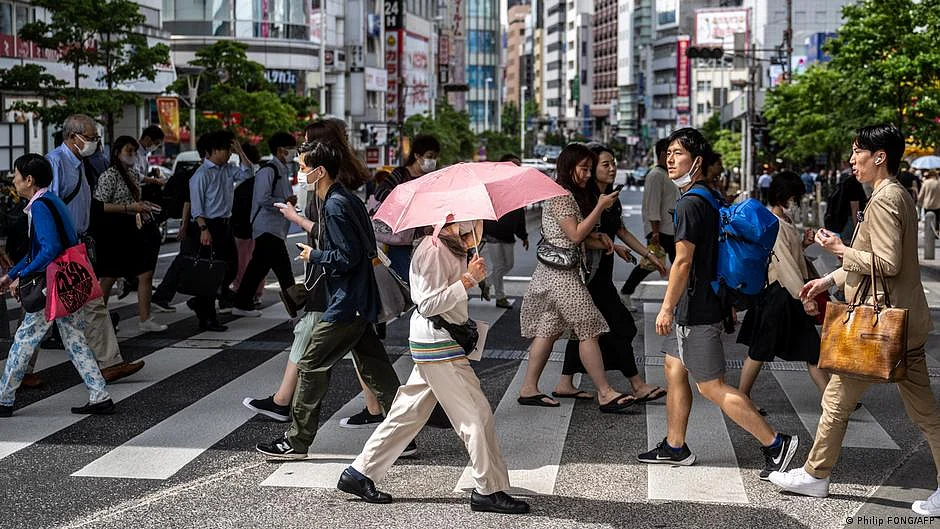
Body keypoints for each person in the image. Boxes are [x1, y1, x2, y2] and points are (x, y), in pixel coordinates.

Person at [770, 125, 940, 516]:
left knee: (848, 401)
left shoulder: (884, 199)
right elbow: (872, 263)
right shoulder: (892, 194)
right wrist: (828, 278)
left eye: (857, 152)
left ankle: (815, 475)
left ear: (879, 156)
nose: (851, 160)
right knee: (858, 402)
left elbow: (886, 263)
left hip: (878, 327)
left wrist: (838, 248)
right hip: (896, 322)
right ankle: (815, 474)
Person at [337, 220, 530, 515]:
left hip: (439, 341)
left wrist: (470, 274)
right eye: (475, 218)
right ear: (453, 218)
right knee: (475, 415)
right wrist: (466, 281)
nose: (479, 224)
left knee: (406, 415)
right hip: (437, 343)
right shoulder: (434, 248)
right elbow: (427, 304)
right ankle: (488, 490)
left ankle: (359, 473)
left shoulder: (453, 246)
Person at [637, 128, 799, 480]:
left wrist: (666, 307)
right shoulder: (706, 197)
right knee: (673, 367)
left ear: (696, 161)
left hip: (697, 307)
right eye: (668, 152)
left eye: (678, 153)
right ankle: (675, 446)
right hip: (704, 301)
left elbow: (683, 262)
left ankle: (776, 444)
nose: (670, 158)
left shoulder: (690, 203)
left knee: (711, 386)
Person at [255, 140, 403, 459]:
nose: (299, 172)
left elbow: (348, 256)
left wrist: (315, 254)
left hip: (347, 302)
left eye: (303, 167)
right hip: (359, 298)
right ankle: (405, 435)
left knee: (310, 364)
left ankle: (296, 442)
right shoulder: (343, 199)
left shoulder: (335, 204)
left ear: (319, 171)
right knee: (377, 369)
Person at [517, 143, 636, 412]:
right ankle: (605, 392)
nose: (586, 174)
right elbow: (574, 235)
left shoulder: (566, 195)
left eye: (589, 169)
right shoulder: (561, 196)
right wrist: (601, 206)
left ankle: (528, 388)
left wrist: (607, 242)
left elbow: (570, 237)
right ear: (569, 167)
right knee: (589, 328)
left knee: (548, 331)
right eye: (583, 169)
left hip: (555, 274)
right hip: (562, 278)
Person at [0, 154, 113, 417]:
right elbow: (41, 248)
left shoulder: (39, 207)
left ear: (28, 180)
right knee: (75, 339)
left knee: (24, 339)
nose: (13, 179)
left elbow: (48, 248)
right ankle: (100, 395)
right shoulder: (52, 200)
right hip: (68, 281)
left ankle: (4, 399)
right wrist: (12, 273)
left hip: (50, 285)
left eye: (16, 175)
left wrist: (22, 275)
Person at [555, 144, 667, 403]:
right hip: (586, 276)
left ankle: (564, 382)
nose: (613, 168)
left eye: (613, 163)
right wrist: (608, 240)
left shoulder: (610, 198)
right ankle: (637, 384)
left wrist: (650, 255)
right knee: (620, 326)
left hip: (601, 274)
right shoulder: (586, 199)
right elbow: (578, 235)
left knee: (585, 330)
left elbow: (621, 231)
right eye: (606, 164)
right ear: (592, 170)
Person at [45, 114, 143, 382]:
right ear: (73, 136)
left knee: (93, 303)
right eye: (90, 138)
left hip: (78, 244)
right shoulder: (55, 162)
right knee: (40, 314)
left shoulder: (81, 162)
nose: (94, 143)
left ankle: (109, 362)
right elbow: (48, 207)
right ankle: (20, 373)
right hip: (60, 246)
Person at [736, 172, 829, 410]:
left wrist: (804, 243)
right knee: (761, 350)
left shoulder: (780, 221)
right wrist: (805, 297)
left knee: (808, 349)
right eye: (794, 197)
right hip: (780, 294)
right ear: (783, 196)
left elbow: (788, 256)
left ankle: (832, 401)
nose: (796, 202)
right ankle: (741, 398)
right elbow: (784, 264)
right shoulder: (773, 223)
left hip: (783, 293)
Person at [93, 135, 167, 332]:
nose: (133, 155)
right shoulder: (109, 176)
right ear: (117, 153)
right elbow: (99, 206)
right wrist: (128, 207)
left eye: (134, 151)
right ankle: (97, 321)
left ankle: (145, 318)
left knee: (145, 272)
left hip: (134, 226)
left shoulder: (133, 174)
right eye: (129, 151)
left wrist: (142, 207)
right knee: (108, 276)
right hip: (113, 230)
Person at [186, 130, 253, 331]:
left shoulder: (227, 169)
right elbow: (196, 206)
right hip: (208, 225)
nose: (226, 153)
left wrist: (240, 150)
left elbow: (248, 172)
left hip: (225, 224)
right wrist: (203, 229)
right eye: (222, 149)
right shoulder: (201, 175)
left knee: (230, 267)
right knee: (210, 272)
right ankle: (208, 317)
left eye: (227, 149)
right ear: (209, 152)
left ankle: (201, 303)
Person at [231, 132, 299, 317]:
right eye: (291, 149)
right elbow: (262, 198)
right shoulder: (269, 170)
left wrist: (288, 202)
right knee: (284, 271)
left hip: (274, 227)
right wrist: (284, 201)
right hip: (267, 227)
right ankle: (297, 310)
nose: (294, 152)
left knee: (258, 267)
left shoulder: (282, 169)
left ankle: (241, 302)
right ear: (280, 149)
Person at [151, 133, 210, 313]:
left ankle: (204, 299)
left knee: (195, 260)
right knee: (185, 260)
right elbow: (188, 201)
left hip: (198, 224)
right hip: (196, 224)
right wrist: (185, 225)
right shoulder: (199, 174)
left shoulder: (206, 171)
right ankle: (162, 296)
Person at [373, 134, 441, 280]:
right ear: (417, 155)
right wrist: (405, 201)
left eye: (435, 157)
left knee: (421, 280)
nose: (432, 161)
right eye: (429, 156)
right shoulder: (401, 174)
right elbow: (380, 192)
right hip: (400, 238)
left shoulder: (432, 178)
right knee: (403, 278)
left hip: (424, 238)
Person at [621, 138, 677, 309]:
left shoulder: (667, 174)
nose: (674, 157)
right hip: (660, 230)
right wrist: (655, 232)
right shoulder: (655, 175)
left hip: (669, 228)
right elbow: (653, 205)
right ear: (662, 154)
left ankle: (678, 298)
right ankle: (626, 292)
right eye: (671, 152)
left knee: (665, 264)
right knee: (652, 264)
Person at [481, 153, 529, 309]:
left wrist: (523, 236)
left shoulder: (519, 187)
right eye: (513, 164)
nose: (516, 167)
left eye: (518, 165)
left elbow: (520, 214)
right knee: (499, 266)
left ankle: (487, 283)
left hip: (508, 234)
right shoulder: (493, 185)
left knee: (508, 265)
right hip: (493, 232)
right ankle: (500, 297)